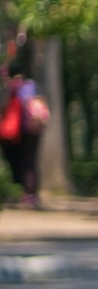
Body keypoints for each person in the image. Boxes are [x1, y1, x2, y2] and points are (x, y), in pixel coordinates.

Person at [0, 59, 48, 209]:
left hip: (18, 131)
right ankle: (31, 194)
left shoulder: (13, 87)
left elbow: (4, 105)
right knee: (30, 162)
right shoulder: (32, 85)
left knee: (22, 162)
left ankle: (25, 193)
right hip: (35, 129)